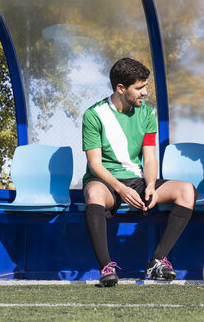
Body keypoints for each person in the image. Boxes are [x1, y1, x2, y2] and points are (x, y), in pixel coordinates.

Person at [82, 58, 196, 287]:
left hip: (138, 180)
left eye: (145, 86)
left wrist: (151, 185)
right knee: (93, 194)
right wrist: (120, 188)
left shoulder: (146, 113)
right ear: (121, 88)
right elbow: (95, 164)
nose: (145, 92)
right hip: (105, 181)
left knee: (187, 190)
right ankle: (106, 267)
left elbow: (150, 157)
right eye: (139, 88)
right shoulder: (93, 115)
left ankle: (156, 261)